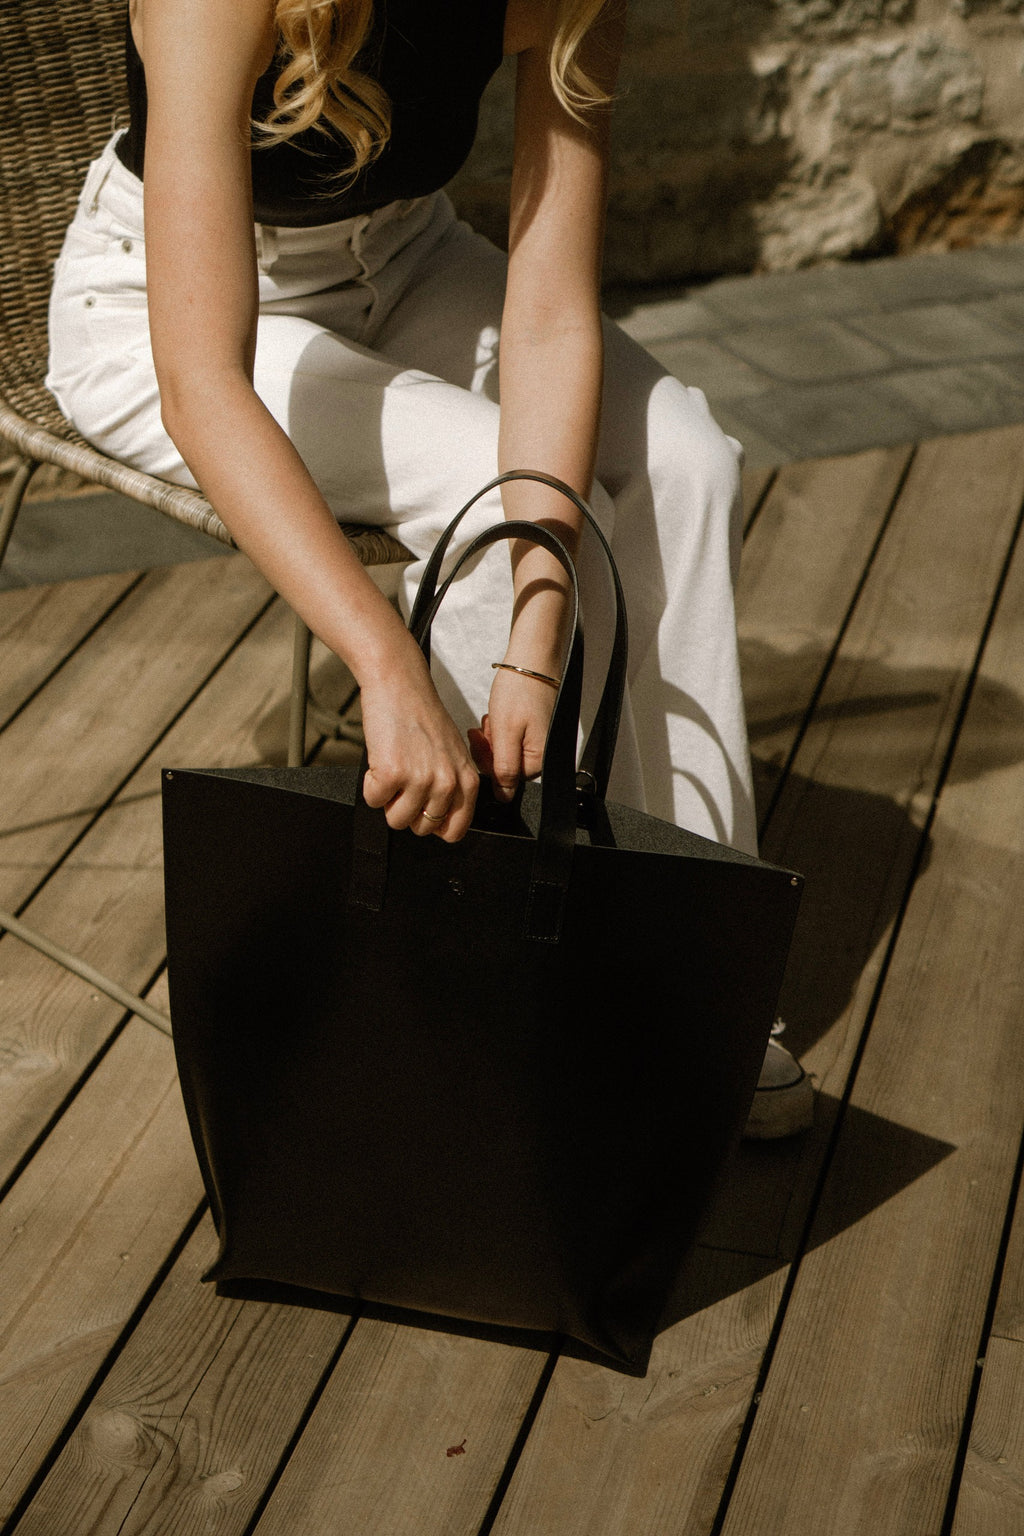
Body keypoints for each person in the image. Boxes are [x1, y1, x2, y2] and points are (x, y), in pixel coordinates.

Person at [45, 0, 812, 1137]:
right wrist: (386, 665)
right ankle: (521, 993)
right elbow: (205, 384)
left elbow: (549, 320)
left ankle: (700, 967)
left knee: (686, 462)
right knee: (476, 489)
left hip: (408, 256)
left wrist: (538, 645)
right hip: (162, 315)